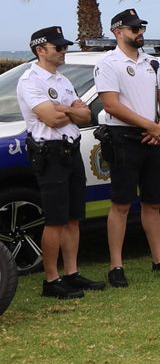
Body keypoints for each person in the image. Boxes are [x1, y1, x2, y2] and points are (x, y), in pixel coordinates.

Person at [94, 8, 160, 286]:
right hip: (124, 138)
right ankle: (116, 266)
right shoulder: (108, 63)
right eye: (134, 29)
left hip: (153, 137)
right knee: (121, 204)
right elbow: (111, 104)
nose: (140, 33)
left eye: (142, 28)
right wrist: (150, 125)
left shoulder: (152, 62)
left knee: (153, 202)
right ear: (118, 32)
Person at [20, 26, 99, 298]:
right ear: (40, 50)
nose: (64, 51)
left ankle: (72, 273)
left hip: (70, 149)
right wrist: (71, 111)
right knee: (55, 219)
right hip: (50, 153)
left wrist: (65, 109)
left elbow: (86, 115)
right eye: (58, 47)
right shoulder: (31, 80)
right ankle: (51, 280)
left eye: (64, 46)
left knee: (73, 217)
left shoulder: (62, 81)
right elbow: (50, 120)